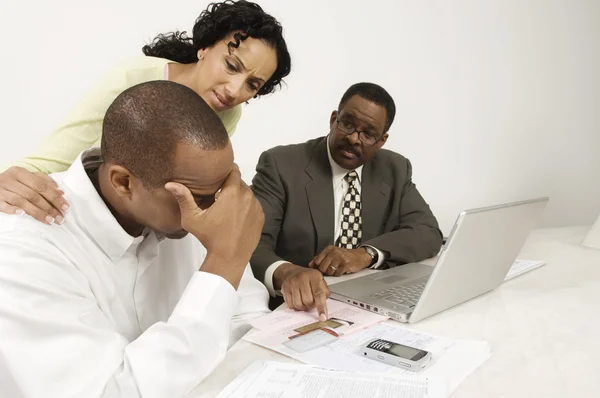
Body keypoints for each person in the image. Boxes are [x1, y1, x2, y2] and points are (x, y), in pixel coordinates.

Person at [0, 81, 268, 397]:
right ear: (124, 183)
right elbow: (111, 391)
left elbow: (248, 319)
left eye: (220, 192)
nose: (215, 212)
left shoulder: (189, 203)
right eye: (197, 197)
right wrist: (223, 260)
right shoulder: (22, 248)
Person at [0, 0, 291, 226]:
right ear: (204, 47)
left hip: (146, 229)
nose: (234, 90)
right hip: (78, 215)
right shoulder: (130, 79)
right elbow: (49, 161)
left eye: (252, 85)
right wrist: (9, 182)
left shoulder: (228, 113)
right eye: (231, 65)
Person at [250, 82, 443, 319]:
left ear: (382, 141)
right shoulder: (281, 164)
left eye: (368, 134)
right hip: (299, 309)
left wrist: (365, 254)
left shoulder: (395, 169)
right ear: (333, 120)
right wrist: (287, 272)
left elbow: (428, 232)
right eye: (348, 124)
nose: (353, 138)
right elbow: (250, 244)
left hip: (366, 306)